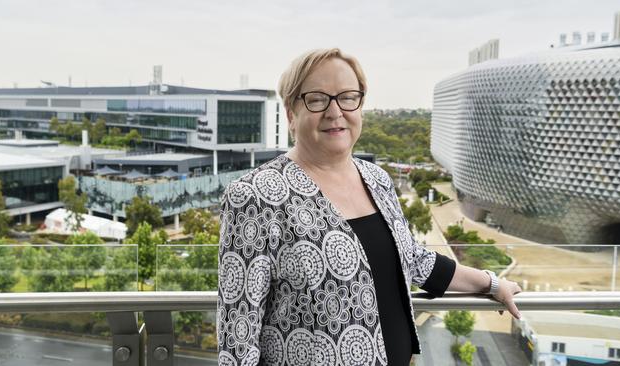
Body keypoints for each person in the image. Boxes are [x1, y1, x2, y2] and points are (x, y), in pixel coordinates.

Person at [217, 48, 522, 366]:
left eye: (347, 97)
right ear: (291, 113)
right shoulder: (255, 196)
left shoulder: (376, 179)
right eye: (317, 99)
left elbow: (413, 261)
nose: (335, 112)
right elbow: (238, 336)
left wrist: (493, 284)